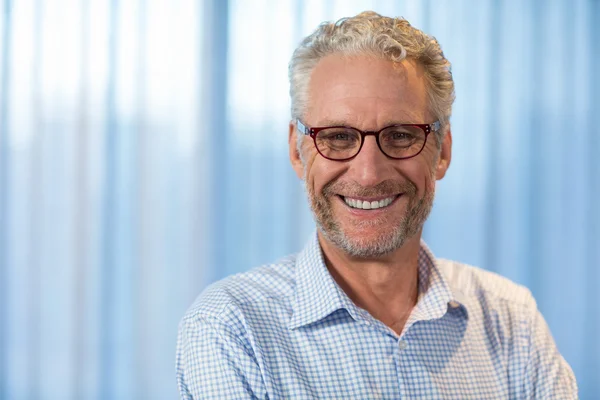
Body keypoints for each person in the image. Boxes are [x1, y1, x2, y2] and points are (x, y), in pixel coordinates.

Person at [176, 11, 577, 399]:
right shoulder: (231, 329)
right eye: (337, 137)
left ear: (442, 152)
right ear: (297, 153)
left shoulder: (512, 322)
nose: (368, 174)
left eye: (401, 135)